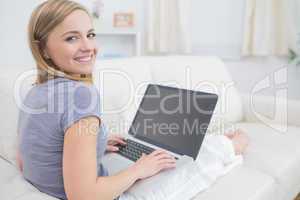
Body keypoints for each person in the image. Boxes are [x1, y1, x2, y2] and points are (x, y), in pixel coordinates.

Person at [16, 0, 249, 200]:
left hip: (52, 188)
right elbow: (83, 196)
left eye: (90, 35)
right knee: (197, 162)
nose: (88, 47)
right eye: (71, 38)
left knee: (178, 154)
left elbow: (28, 157)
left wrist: (96, 144)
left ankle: (219, 142)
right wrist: (139, 170)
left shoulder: (35, 90)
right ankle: (230, 145)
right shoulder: (80, 95)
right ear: (44, 49)